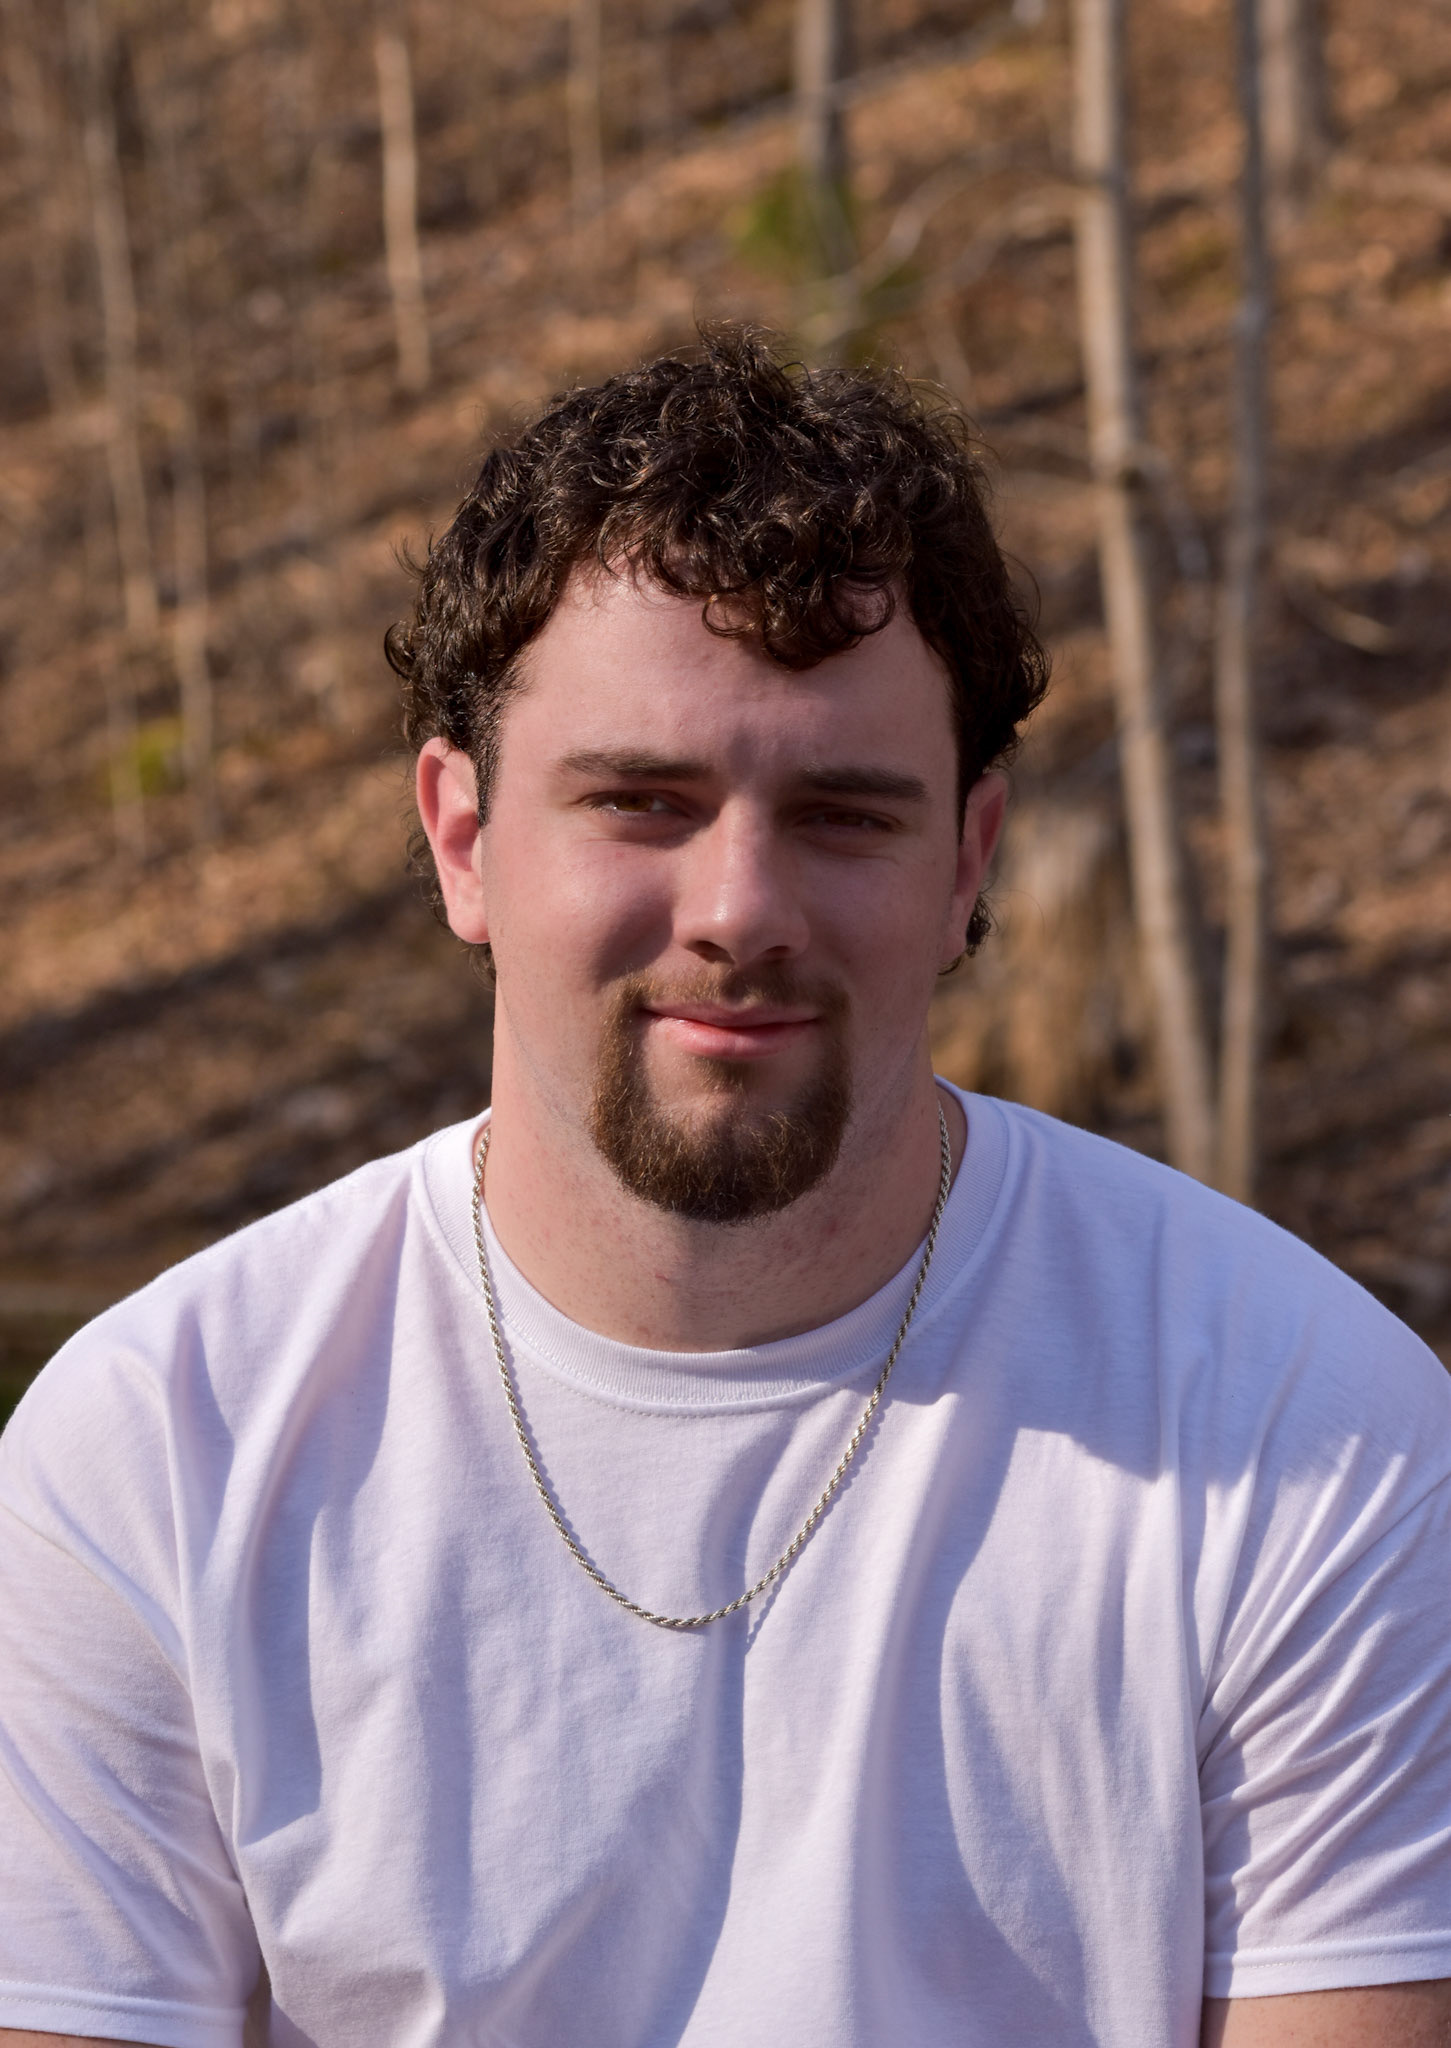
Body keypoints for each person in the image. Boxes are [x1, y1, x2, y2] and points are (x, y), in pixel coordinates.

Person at [1, 329, 1449, 2048]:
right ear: (463, 837)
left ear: (968, 860)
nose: (740, 908)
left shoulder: (1303, 1432)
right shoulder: (164, 1450)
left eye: (844, 816)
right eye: (642, 802)